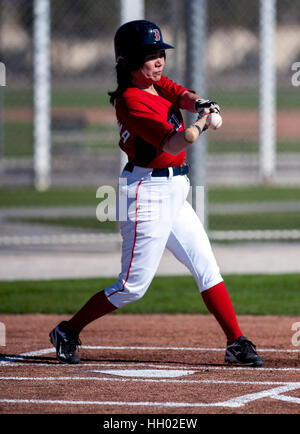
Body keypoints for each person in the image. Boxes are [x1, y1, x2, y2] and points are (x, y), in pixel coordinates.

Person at [49, 20, 264, 367]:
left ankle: (236, 343)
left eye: (160, 53)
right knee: (132, 286)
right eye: (150, 56)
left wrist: (202, 104)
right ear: (130, 62)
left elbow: (182, 93)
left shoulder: (156, 84)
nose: (159, 61)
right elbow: (174, 141)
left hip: (175, 188)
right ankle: (67, 331)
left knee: (207, 267)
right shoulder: (131, 101)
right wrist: (201, 124)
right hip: (146, 193)